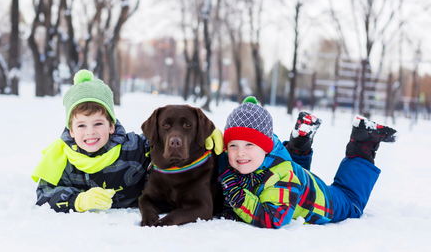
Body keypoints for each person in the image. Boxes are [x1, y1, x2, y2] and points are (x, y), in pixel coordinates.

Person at [32, 70, 222, 213]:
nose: (90, 132)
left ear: (111, 126)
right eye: (81, 126)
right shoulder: (61, 158)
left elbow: (166, 141)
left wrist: (204, 134)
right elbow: (43, 196)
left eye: (98, 123)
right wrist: (78, 200)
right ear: (71, 131)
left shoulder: (134, 147)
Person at [217, 96, 397, 228]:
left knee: (351, 202)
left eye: (249, 144)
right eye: (233, 145)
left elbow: (274, 218)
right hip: (297, 183)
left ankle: (363, 142)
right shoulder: (254, 159)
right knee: (291, 175)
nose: (240, 152)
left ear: (265, 147)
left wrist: (236, 194)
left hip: (327, 201)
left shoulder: (281, 175)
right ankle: (299, 143)